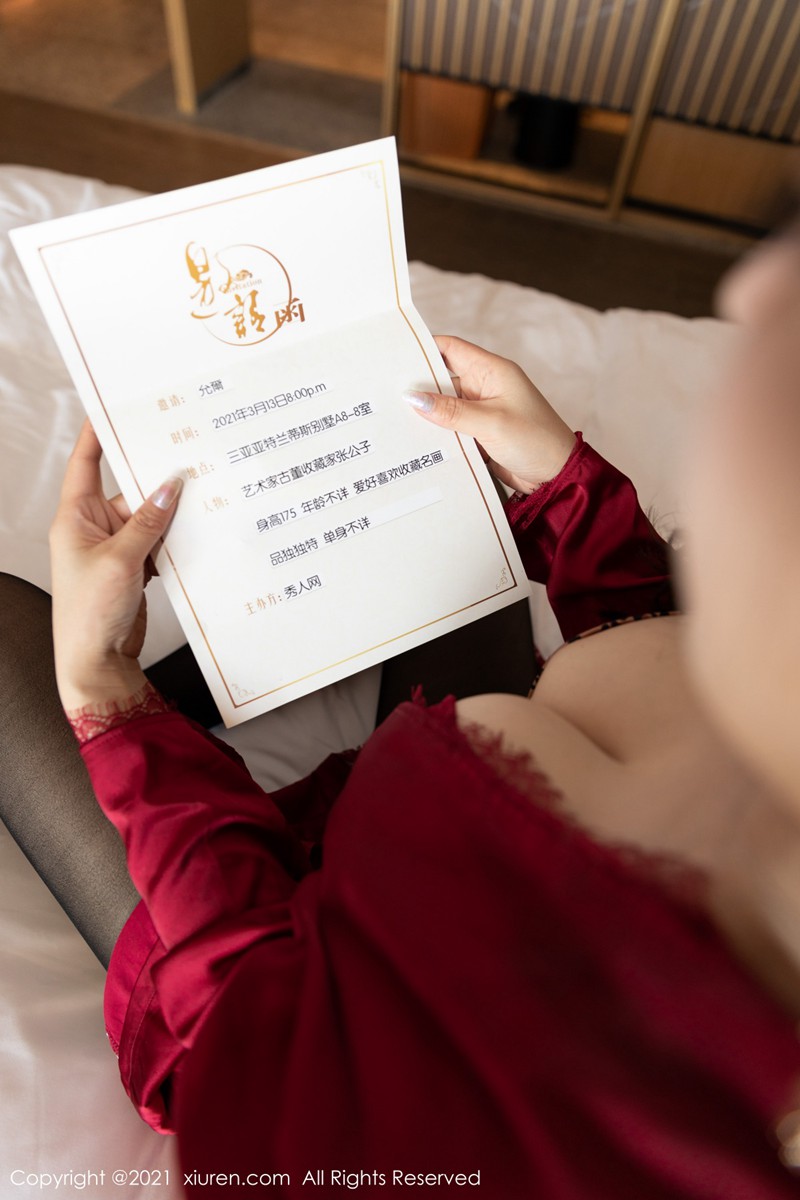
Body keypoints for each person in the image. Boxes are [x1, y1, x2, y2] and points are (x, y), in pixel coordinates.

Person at [41, 217, 800, 1197]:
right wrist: (563, 490)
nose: (753, 288)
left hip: (246, 977)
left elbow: (252, 1016)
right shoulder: (760, 700)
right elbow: (652, 654)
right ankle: (231, 664)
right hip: (409, 812)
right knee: (448, 543)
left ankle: (191, 691)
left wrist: (103, 687)